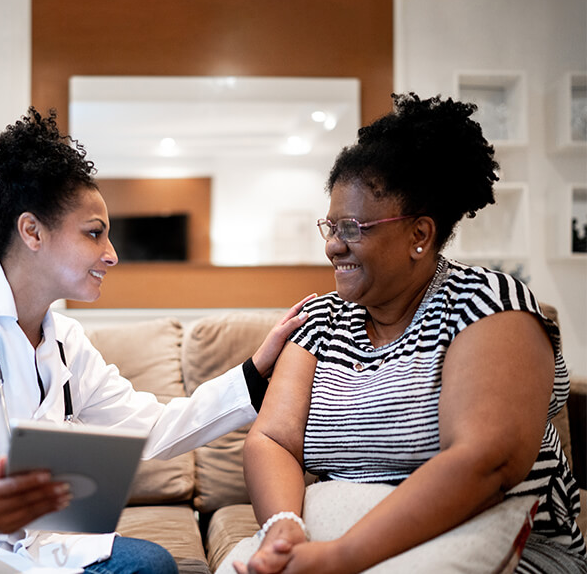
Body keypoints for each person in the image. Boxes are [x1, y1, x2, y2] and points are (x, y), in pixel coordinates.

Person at [0, 107, 313, 574]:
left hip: (22, 545)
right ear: (32, 232)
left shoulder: (66, 339)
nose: (112, 254)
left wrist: (254, 369)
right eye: (94, 233)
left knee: (151, 564)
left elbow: (154, 427)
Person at [232, 94, 587, 574]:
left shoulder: (487, 302)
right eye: (331, 226)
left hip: (498, 549)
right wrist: (282, 524)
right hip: (338, 539)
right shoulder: (318, 320)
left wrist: (340, 557)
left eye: (353, 227)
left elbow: (487, 460)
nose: (333, 246)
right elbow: (272, 438)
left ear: (420, 234)